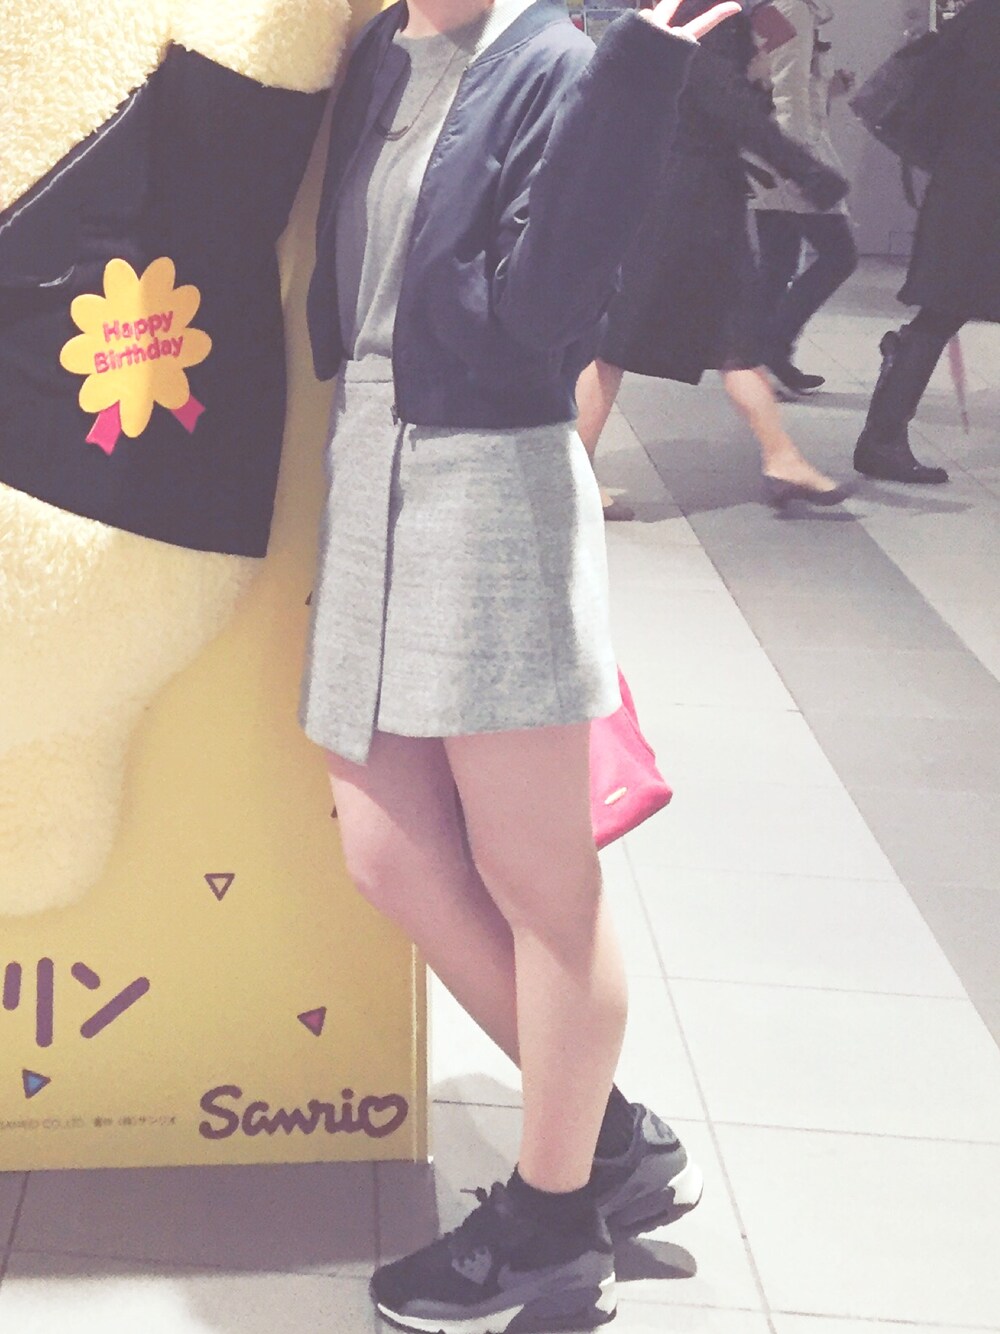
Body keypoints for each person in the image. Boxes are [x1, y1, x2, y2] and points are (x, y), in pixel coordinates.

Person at [300, 0, 740, 1330]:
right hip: (369, 462)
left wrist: (638, 79)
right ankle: (610, 1141)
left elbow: (548, 311)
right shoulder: (382, 47)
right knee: (383, 847)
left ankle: (550, 1224)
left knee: (540, 877)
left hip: (491, 475)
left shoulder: (561, 59)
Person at [577, 0, 854, 516]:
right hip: (684, 204)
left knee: (732, 338)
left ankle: (781, 456)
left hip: (692, 199)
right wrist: (807, 171)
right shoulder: (710, 15)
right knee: (620, 338)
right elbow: (730, 107)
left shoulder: (700, 15)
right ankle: (572, 471)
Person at [854, 0, 1000, 485]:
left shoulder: (976, 20)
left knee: (942, 310)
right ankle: (881, 437)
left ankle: (883, 432)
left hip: (964, 185)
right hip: (982, 191)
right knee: (941, 311)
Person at [746, 0, 859, 397]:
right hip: (786, 154)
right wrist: (802, 166)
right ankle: (773, 348)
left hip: (766, 150)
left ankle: (754, 357)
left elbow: (780, 78)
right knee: (839, 255)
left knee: (777, 262)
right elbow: (787, 93)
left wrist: (828, 87)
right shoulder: (793, 7)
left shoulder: (779, 7)